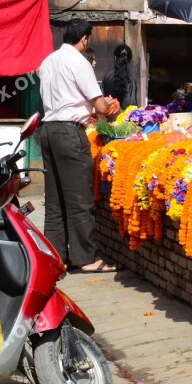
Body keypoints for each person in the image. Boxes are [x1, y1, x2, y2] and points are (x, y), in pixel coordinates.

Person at [38, 18, 121, 273]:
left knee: (55, 201)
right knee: (79, 199)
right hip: (69, 133)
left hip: (48, 130)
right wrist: (110, 107)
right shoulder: (78, 61)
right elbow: (99, 105)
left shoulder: (48, 61)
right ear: (84, 38)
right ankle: (87, 259)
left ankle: (57, 259)